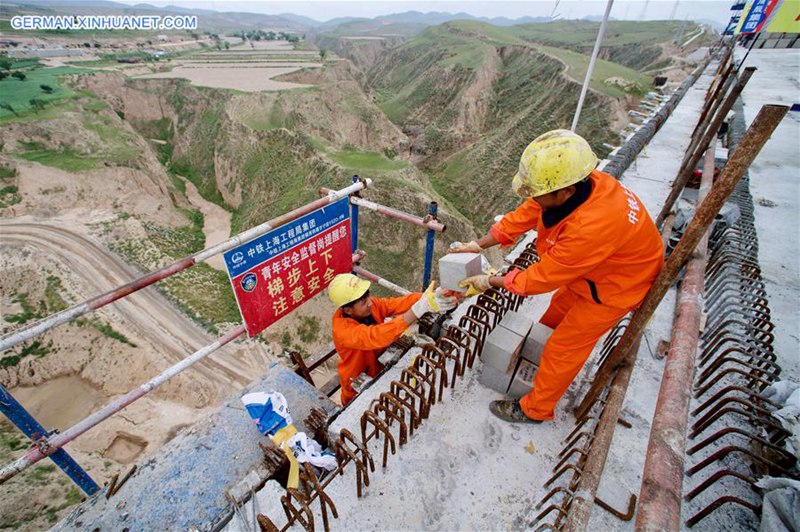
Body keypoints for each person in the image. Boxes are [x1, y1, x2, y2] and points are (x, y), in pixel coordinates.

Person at [455, 129, 664, 423]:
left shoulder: (591, 227)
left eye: (539, 193)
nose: (534, 198)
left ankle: (535, 409)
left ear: (564, 192)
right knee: (553, 317)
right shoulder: (578, 184)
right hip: (594, 273)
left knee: (563, 348)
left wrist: (489, 281)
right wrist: (479, 243)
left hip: (617, 287)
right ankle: (532, 369)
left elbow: (538, 278)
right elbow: (527, 212)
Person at [328, 273, 458, 406]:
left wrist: (426, 298)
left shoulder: (371, 305)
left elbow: (396, 304)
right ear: (348, 310)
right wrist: (417, 310)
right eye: (363, 302)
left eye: (368, 296)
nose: (369, 303)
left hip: (378, 363)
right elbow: (375, 336)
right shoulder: (343, 330)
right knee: (357, 408)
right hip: (357, 378)